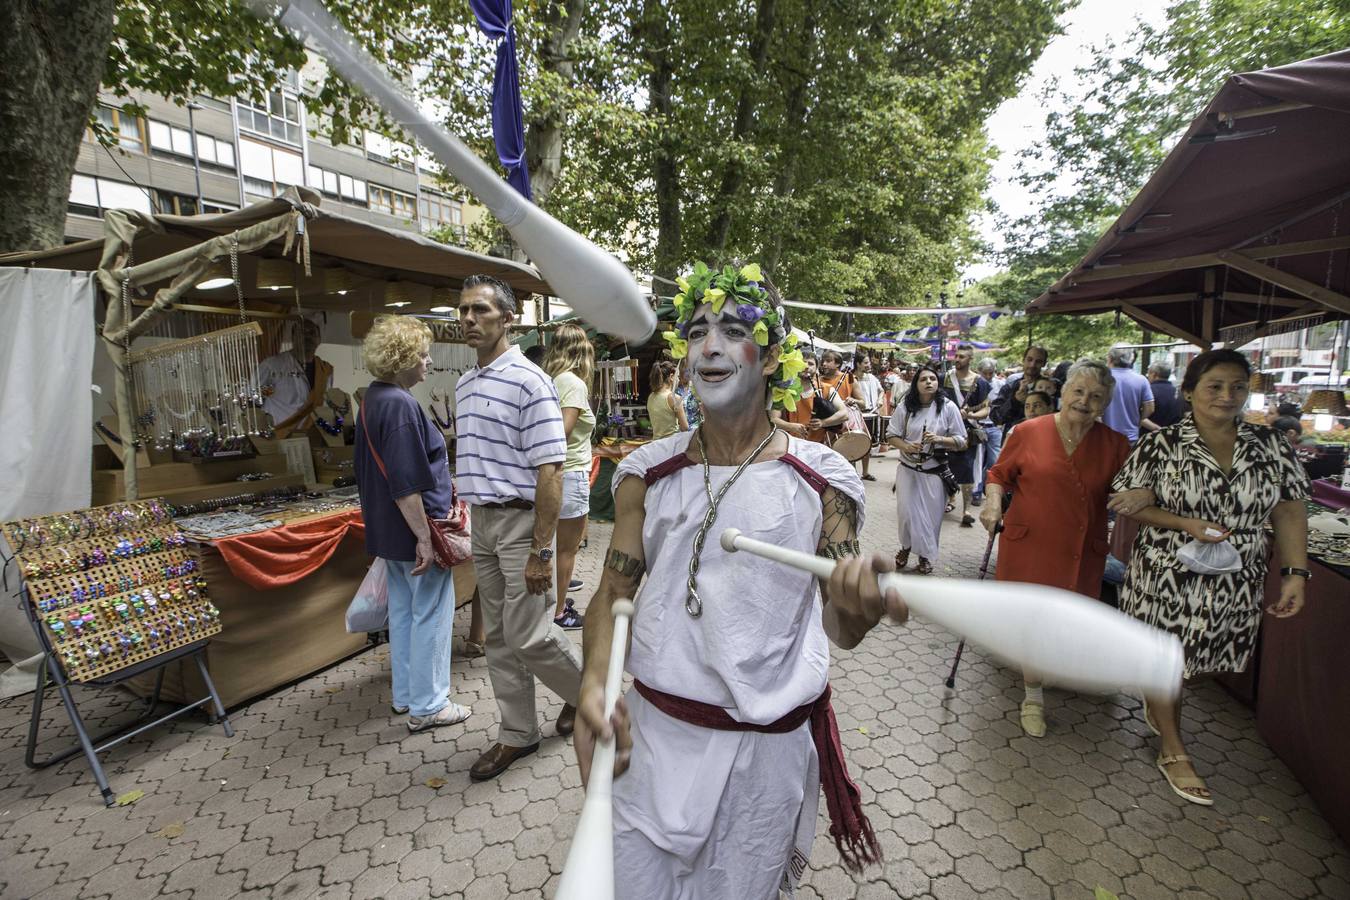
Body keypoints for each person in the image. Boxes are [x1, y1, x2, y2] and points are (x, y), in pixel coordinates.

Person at [577, 262, 907, 898]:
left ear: (773, 356)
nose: (710, 346)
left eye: (733, 329)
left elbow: (840, 628)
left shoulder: (823, 479)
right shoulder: (647, 473)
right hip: (652, 745)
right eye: (698, 330)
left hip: (765, 764)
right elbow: (613, 594)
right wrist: (593, 686)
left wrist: (859, 605)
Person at [1112, 349, 1310, 806]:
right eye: (1215, 386)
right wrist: (1183, 522)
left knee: (1200, 661)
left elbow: (1289, 508)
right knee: (1166, 659)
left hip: (1235, 575)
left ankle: (1160, 705)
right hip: (1167, 572)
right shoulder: (1162, 444)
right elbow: (1125, 502)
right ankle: (1172, 748)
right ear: (1189, 392)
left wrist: (1295, 573)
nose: (1227, 395)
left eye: (1238, 386)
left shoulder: (1271, 445)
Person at [454, 274, 583, 781]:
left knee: (530, 636)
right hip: (482, 523)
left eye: (480, 310)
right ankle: (517, 733)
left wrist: (541, 550)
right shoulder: (465, 383)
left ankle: (593, 697)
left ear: (509, 319)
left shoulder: (531, 381)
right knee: (502, 639)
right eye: (463, 310)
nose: (468, 319)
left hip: (520, 524)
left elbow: (550, 470)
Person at [981, 360, 1145, 738]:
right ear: (1064, 392)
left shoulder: (1115, 444)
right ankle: (1033, 695)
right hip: (1031, 545)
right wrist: (992, 502)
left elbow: (1128, 489)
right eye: (1078, 391)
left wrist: (1142, 494)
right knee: (1031, 623)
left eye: (1096, 397)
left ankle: (1052, 667)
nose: (1085, 401)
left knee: (1066, 621)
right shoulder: (1028, 431)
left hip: (1080, 549)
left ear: (1104, 404)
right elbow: (998, 475)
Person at [354, 315, 470, 732]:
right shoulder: (401, 405)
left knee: (404, 613)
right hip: (416, 530)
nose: (428, 361)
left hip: (388, 531)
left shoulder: (373, 398)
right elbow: (406, 483)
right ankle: (430, 704)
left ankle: (407, 695)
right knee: (432, 615)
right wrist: (424, 537)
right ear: (402, 358)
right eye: (422, 354)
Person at [888, 365, 967, 575]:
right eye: (924, 379)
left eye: (933, 378)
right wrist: (906, 446)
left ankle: (925, 556)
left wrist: (939, 439)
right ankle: (905, 548)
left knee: (930, 518)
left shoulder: (948, 407)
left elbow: (962, 441)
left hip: (934, 472)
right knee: (906, 514)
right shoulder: (906, 406)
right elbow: (891, 435)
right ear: (916, 384)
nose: (929, 382)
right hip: (908, 470)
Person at [543, 323, 597, 631]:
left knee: (555, 548)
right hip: (572, 473)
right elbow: (561, 431)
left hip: (560, 474)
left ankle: (554, 604)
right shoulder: (573, 383)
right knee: (567, 549)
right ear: (581, 350)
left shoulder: (553, 379)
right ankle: (559, 612)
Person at [256, 318, 334, 437]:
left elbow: (324, 402)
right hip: (280, 435)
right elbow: (254, 397)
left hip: (314, 435)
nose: (307, 337)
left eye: (312, 333)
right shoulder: (272, 365)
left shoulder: (325, 369)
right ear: (293, 337)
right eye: (302, 332)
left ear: (319, 339)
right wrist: (270, 391)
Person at [942, 343, 992, 526]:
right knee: (944, 468)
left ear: (971, 359)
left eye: (962, 356)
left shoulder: (980, 383)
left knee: (967, 471)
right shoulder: (945, 378)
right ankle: (949, 500)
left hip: (968, 433)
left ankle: (966, 510)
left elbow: (986, 410)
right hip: (946, 432)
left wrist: (969, 414)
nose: (957, 359)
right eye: (956, 356)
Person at [772, 352, 848, 442]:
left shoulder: (826, 389)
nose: (806, 366)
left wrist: (823, 423)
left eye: (811, 364)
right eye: (803, 362)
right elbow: (773, 419)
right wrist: (791, 426)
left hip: (817, 445)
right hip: (789, 445)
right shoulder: (783, 389)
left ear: (816, 368)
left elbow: (844, 414)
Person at [1101, 344, 1155, 445]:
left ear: (1110, 358)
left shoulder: (1101, 379)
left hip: (1104, 437)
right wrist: (1138, 420)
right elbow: (1150, 408)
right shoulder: (1141, 380)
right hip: (1130, 437)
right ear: (1131, 358)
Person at [990, 345, 1049, 434]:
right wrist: (1014, 401)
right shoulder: (1010, 387)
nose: (1032, 365)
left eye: (1038, 361)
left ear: (1044, 363)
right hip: (1014, 441)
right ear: (1023, 360)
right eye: (1029, 359)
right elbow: (996, 418)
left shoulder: (1050, 387)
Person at [972, 358, 1004, 505]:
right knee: (977, 462)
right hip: (978, 427)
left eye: (991, 373)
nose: (989, 376)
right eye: (985, 373)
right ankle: (976, 492)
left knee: (993, 461)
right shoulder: (973, 385)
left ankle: (986, 484)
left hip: (994, 428)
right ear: (979, 372)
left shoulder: (1000, 385)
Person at [853, 354, 884, 481]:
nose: (868, 365)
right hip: (855, 414)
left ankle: (865, 472)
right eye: (866, 363)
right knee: (853, 444)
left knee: (868, 443)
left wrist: (880, 399)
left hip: (871, 413)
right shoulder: (850, 378)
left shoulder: (871, 378)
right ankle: (853, 472)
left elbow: (881, 390)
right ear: (858, 364)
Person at [646, 359, 688, 439]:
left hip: (656, 444)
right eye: (678, 377)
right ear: (671, 377)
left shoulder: (651, 396)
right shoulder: (674, 398)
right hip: (671, 445)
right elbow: (685, 428)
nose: (679, 380)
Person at [1141, 362, 1183, 432]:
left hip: (1148, 437)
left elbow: (1138, 416)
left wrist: (1159, 430)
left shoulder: (1147, 392)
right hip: (1173, 436)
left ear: (1154, 374)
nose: (1147, 376)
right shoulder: (1178, 393)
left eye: (1148, 374)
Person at [674, 360, 703, 430]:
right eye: (685, 371)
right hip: (681, 433)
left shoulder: (696, 389)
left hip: (697, 430)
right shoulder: (675, 392)